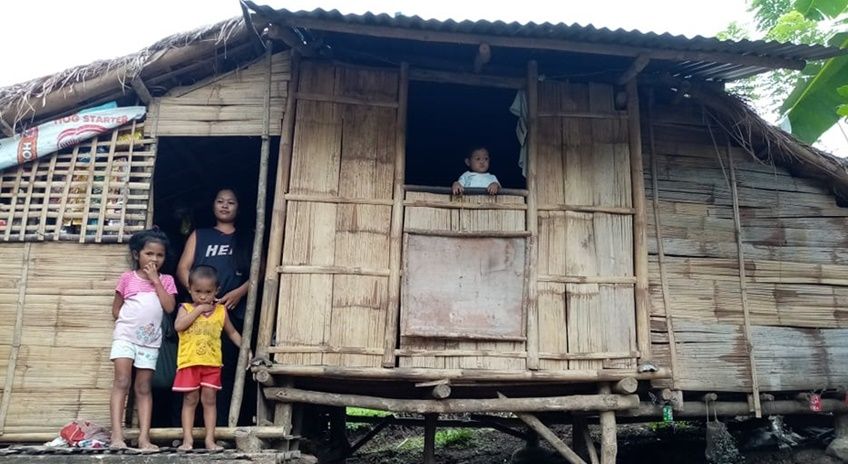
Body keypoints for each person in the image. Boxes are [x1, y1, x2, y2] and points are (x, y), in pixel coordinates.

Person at [177, 188, 252, 426]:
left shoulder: (248, 237)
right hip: (198, 316)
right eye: (220, 201)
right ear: (213, 205)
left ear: (238, 207)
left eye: (231, 202)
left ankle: (221, 429)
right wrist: (199, 299)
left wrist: (240, 292)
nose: (225, 205)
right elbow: (183, 269)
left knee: (223, 373)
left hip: (231, 313)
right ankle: (188, 431)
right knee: (191, 370)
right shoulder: (200, 235)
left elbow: (262, 272)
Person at [109, 228, 177, 450]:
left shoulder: (166, 280)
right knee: (121, 382)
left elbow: (168, 307)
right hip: (125, 338)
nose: (154, 259)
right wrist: (130, 327)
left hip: (150, 342)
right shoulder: (127, 278)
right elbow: (116, 309)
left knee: (144, 387)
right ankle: (117, 437)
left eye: (160, 255)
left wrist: (156, 281)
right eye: (149, 254)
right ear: (137, 254)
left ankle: (144, 438)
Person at [173, 265, 243, 450]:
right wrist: (197, 311)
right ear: (189, 289)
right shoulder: (186, 308)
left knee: (210, 401)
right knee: (190, 400)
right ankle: (187, 440)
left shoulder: (221, 312)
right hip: (189, 362)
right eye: (197, 291)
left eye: (208, 292)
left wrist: (246, 349)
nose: (203, 296)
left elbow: (233, 333)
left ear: (216, 291)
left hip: (212, 364)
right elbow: (179, 326)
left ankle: (210, 440)